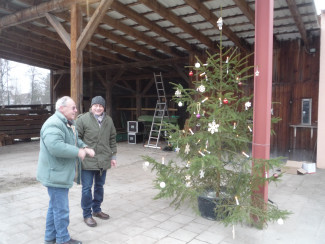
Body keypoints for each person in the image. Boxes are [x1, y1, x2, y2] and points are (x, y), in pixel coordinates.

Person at [37, 96, 95, 244]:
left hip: (59, 173)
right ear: (61, 108)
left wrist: (84, 147)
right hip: (55, 174)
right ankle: (63, 240)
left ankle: (50, 238)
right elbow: (55, 146)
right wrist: (77, 152)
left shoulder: (67, 123)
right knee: (61, 210)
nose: (76, 110)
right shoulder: (53, 124)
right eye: (73, 107)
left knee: (54, 207)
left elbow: (74, 139)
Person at [76, 95, 117, 227]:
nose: (98, 108)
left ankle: (97, 210)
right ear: (91, 106)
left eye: (100, 106)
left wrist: (113, 156)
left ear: (103, 107)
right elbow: (76, 137)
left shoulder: (109, 120)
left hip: (103, 160)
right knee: (87, 188)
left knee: (99, 187)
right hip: (88, 160)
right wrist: (84, 149)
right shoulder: (83, 120)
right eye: (96, 105)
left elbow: (112, 139)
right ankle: (87, 214)